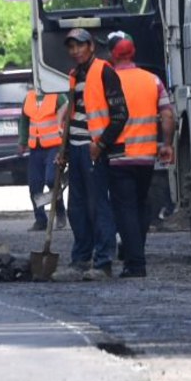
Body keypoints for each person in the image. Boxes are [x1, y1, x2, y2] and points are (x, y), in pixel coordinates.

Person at [54, 28, 127, 281]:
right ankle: (80, 259)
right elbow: (74, 114)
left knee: (98, 206)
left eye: (80, 46)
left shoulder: (104, 71)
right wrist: (62, 151)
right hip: (74, 148)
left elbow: (120, 114)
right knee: (76, 207)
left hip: (93, 150)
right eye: (72, 47)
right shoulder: (75, 76)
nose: (75, 51)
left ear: (91, 47)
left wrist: (101, 144)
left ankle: (103, 261)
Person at [102, 34, 174, 278]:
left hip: (119, 156)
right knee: (140, 206)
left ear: (112, 55)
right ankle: (135, 254)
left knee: (125, 210)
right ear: (132, 53)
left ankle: (135, 263)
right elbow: (167, 115)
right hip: (146, 157)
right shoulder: (152, 80)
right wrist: (167, 144)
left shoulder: (108, 82)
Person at [20, 82, 66, 232]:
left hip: (54, 146)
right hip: (36, 148)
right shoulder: (29, 97)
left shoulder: (57, 95)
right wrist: (22, 141)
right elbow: (24, 121)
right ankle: (41, 220)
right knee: (34, 185)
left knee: (52, 179)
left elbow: (67, 115)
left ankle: (59, 210)